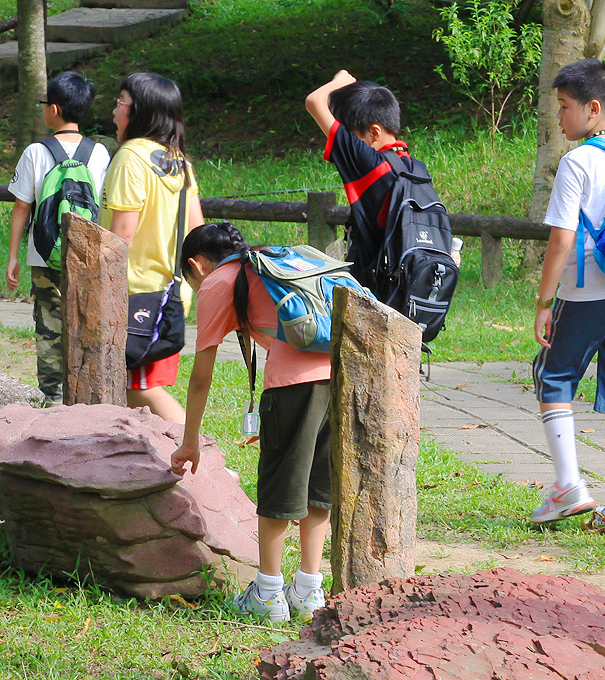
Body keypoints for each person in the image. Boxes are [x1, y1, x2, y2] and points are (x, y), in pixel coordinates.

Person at [169, 222, 331, 624]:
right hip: (337, 373)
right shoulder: (268, 263)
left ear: (195, 265)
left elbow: (201, 376)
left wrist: (189, 443)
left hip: (293, 385)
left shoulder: (217, 282)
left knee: (278, 485)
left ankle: (268, 592)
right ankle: (310, 589)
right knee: (317, 485)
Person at [529, 59, 605, 534]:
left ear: (593, 108)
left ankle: (568, 486)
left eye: (564, 107)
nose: (559, 118)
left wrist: (544, 303)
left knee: (553, 375)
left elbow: (562, 240)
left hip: (588, 291)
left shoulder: (577, 161)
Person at [101, 72, 205, 423]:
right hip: (170, 295)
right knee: (137, 388)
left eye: (120, 102)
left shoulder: (131, 156)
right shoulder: (178, 161)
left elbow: (122, 235)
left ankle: (202, 459)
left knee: (140, 389)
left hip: (134, 295)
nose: (115, 110)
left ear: (138, 111)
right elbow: (197, 230)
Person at [6, 72, 111, 406]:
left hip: (44, 255)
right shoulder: (100, 153)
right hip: (87, 256)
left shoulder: (36, 152)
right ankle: (86, 401)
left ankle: (51, 400)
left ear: (53, 109)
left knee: (49, 330)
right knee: (87, 325)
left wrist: (13, 256)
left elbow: (22, 207)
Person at [304, 70, 410, 286]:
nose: (350, 141)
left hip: (374, 286)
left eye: (351, 134)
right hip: (407, 285)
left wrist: (341, 81)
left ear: (374, 133)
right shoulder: (412, 166)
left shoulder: (368, 162)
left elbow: (314, 101)